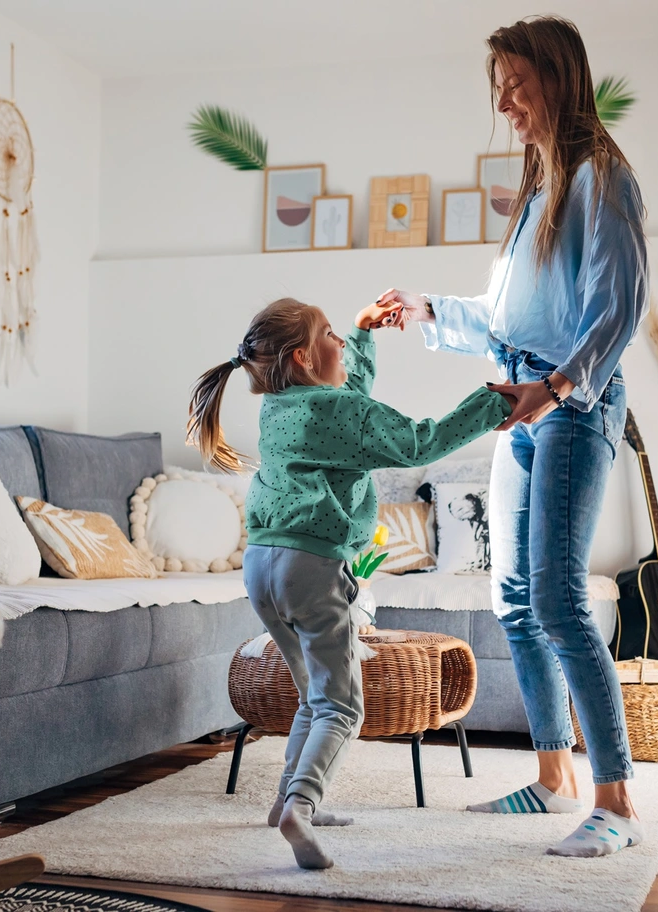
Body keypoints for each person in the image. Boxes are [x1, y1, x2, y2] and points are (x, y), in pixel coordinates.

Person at [375, 15, 649, 859]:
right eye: (498, 85)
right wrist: (429, 310)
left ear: (559, 79)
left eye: (517, 83)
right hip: (521, 406)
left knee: (561, 598)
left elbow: (620, 305)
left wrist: (559, 387)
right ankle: (552, 775)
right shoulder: (539, 191)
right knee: (516, 602)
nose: (503, 101)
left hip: (567, 407)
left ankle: (617, 802)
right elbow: (505, 322)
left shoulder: (601, 176)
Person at [186, 297, 512, 869]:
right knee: (342, 706)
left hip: (261, 565)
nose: (341, 341)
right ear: (306, 356)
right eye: (333, 334)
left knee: (315, 695)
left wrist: (361, 335)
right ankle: (300, 808)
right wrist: (494, 403)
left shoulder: (282, 407)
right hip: (309, 567)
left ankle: (288, 798)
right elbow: (417, 443)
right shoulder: (335, 412)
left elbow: (348, 403)